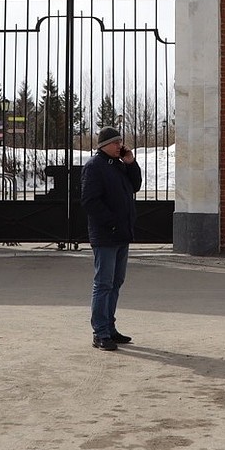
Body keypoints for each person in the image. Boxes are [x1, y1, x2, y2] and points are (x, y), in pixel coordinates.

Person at [81, 125, 142, 351]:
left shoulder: (118, 165)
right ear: (104, 145)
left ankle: (110, 327)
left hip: (121, 235)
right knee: (104, 284)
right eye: (116, 143)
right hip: (106, 235)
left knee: (116, 283)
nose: (120, 146)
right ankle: (100, 332)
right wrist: (112, 222)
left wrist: (131, 163)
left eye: (120, 142)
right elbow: (90, 201)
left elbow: (135, 185)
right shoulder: (94, 167)